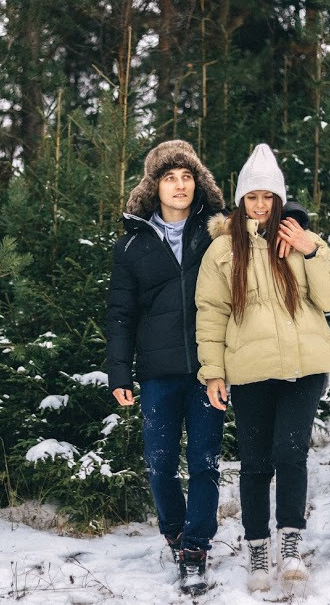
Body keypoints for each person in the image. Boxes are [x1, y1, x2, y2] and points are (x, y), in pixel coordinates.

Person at [195, 144, 330, 591]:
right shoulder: (222, 251)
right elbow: (210, 313)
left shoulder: (301, 240)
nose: (260, 205)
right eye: (252, 197)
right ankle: (258, 548)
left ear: (279, 199)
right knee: (257, 463)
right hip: (250, 370)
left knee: (291, 453)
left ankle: (292, 545)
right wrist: (214, 371)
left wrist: (312, 248)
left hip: (304, 366)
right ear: (240, 201)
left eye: (268, 197)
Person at [105, 139, 227, 596]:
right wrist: (120, 373)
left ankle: (196, 550)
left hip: (207, 369)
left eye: (187, 177)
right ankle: (175, 534)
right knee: (159, 464)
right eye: (170, 178)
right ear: (154, 187)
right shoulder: (132, 245)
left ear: (199, 184)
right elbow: (120, 313)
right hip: (156, 373)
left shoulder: (217, 235)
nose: (179, 185)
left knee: (204, 462)